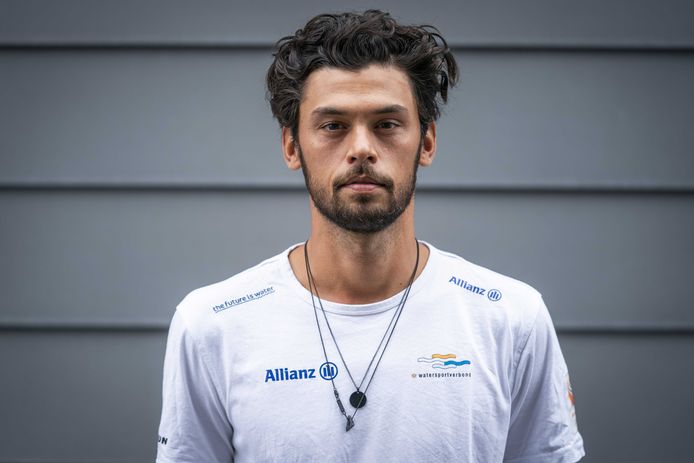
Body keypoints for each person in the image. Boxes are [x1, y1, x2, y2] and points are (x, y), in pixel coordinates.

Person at [156, 10, 585, 463]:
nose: (361, 148)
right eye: (333, 126)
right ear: (291, 146)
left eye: (387, 124)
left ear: (426, 142)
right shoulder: (212, 325)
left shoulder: (510, 319)